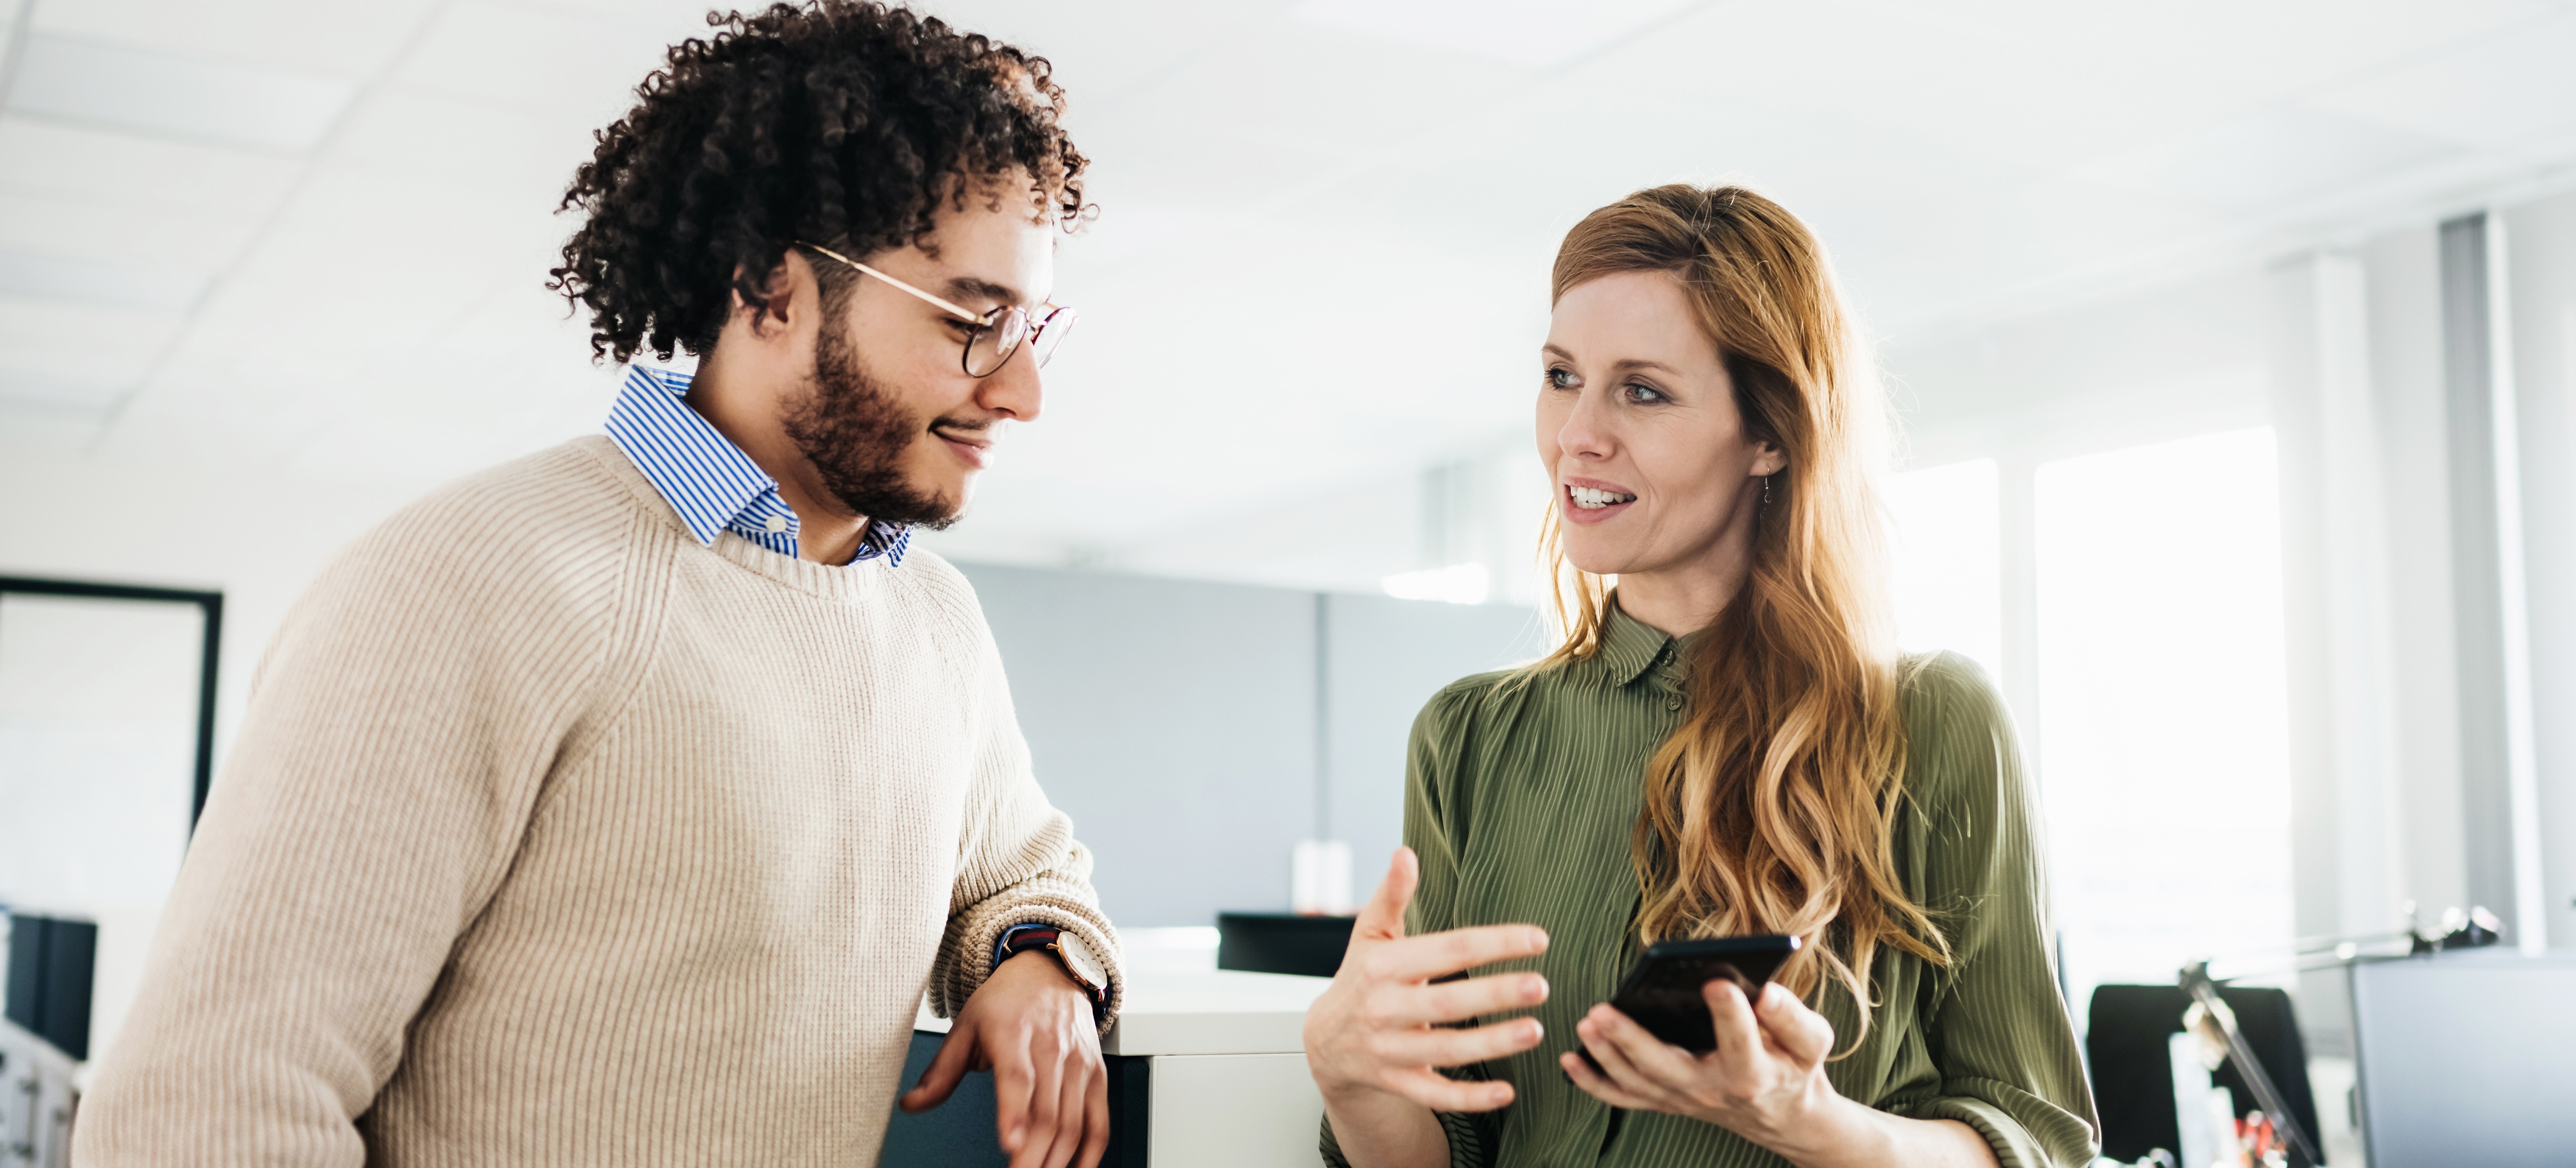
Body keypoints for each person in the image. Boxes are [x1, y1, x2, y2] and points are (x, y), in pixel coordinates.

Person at [74, 6, 1122, 1167]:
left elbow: (1028, 870)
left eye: (1035, 326)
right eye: (975, 318)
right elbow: (203, 1110)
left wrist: (1038, 959)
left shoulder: (937, 625)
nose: (1023, 392)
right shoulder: (466, 581)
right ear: (770, 287)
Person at [1303, 185, 2098, 1168]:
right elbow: (1454, 1145)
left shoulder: (1932, 722)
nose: (1576, 434)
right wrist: (1350, 1078)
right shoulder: (1468, 736)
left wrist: (1812, 1124)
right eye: (1561, 376)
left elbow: (2040, 1142)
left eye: (1642, 391)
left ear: (1770, 435)